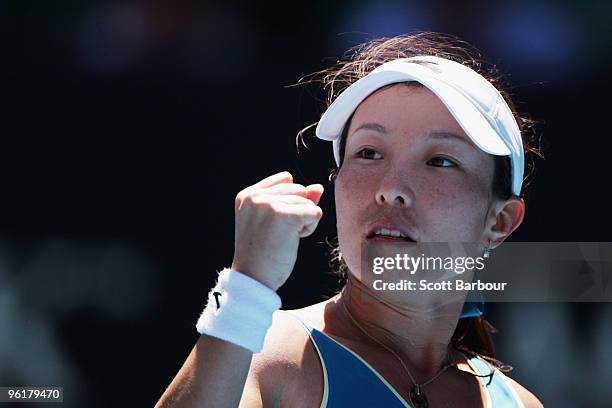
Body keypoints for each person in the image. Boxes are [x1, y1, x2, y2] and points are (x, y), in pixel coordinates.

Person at [155, 32, 544, 407]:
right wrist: (246, 288)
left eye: (440, 161)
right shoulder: (270, 355)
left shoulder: (521, 404)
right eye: (370, 153)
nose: (390, 188)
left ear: (501, 221)